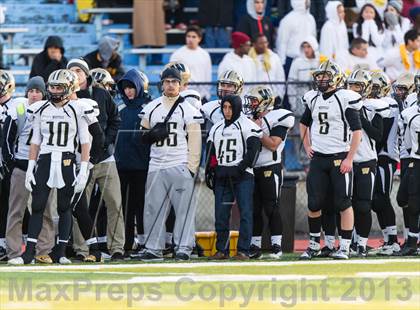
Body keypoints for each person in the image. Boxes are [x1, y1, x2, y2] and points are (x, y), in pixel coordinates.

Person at [8, 69, 92, 265]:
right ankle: (28, 254)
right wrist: (30, 167)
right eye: (52, 87)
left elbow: (85, 141)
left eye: (58, 87)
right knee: (37, 206)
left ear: (69, 87)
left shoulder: (78, 109)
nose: (54, 90)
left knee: (65, 207)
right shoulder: (40, 108)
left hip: (67, 160)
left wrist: (84, 168)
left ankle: (61, 252)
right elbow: (35, 141)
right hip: (45, 159)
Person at [299, 61, 363, 260]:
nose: (321, 79)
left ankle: (343, 247)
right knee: (314, 203)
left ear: (336, 77)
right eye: (318, 76)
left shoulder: (345, 98)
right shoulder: (313, 98)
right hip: (319, 158)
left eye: (325, 76)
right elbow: (303, 123)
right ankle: (313, 245)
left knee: (343, 202)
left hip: (339, 157)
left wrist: (349, 158)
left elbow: (357, 131)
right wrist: (308, 145)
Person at [138, 67, 203, 262]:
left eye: (174, 82)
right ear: (162, 84)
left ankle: (183, 247)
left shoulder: (189, 109)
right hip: (156, 164)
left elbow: (195, 141)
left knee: (184, 210)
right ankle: (153, 247)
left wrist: (191, 168)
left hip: (179, 163)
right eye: (167, 81)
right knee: (153, 209)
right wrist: (151, 136)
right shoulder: (151, 107)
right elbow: (143, 136)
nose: (171, 85)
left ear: (181, 84)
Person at [67, 58, 124, 260]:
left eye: (79, 71)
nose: (76, 74)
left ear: (86, 74)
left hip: (105, 159)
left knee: (114, 203)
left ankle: (117, 247)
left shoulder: (101, 94)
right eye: (71, 71)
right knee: (79, 206)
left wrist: (105, 143)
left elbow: (115, 120)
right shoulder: (66, 99)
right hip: (80, 161)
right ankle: (82, 250)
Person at [3, 77, 55, 264]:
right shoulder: (19, 109)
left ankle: (43, 250)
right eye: (31, 91)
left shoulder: (51, 110)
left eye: (38, 91)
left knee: (46, 211)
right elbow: (7, 139)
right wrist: (11, 162)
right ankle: (14, 251)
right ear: (26, 92)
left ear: (44, 93)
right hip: (23, 166)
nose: (34, 94)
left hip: (43, 167)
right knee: (16, 211)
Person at [207, 94, 262, 260]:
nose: (227, 111)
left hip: (242, 176)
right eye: (224, 107)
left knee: (245, 212)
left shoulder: (247, 125)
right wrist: (211, 170)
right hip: (223, 176)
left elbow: (254, 151)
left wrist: (240, 168)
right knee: (221, 214)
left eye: (230, 107)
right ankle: (221, 250)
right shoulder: (216, 128)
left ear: (237, 107)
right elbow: (211, 152)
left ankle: (243, 250)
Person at [244, 86, 295, 259]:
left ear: (264, 102)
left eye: (253, 101)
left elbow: (273, 144)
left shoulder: (279, 117)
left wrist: (257, 131)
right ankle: (255, 245)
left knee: (271, 207)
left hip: (269, 167)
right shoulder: (248, 118)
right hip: (251, 169)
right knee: (254, 209)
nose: (250, 104)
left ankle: (276, 245)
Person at [346, 70, 389, 257]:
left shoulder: (374, 107)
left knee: (363, 205)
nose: (353, 89)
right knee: (345, 204)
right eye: (351, 85)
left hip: (365, 160)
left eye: (357, 85)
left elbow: (378, 136)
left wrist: (359, 117)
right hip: (345, 161)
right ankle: (348, 243)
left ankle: (362, 244)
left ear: (367, 88)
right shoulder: (342, 103)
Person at [115, 69, 151, 255]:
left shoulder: (150, 107)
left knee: (143, 207)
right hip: (122, 168)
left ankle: (145, 243)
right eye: (125, 88)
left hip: (143, 168)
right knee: (126, 209)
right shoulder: (120, 110)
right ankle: (127, 243)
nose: (128, 91)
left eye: (131, 87)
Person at [398, 77, 420, 255]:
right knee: (405, 199)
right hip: (416, 160)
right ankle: (412, 240)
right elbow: (407, 143)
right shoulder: (409, 113)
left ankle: (412, 241)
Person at [170, 25, 212, 102]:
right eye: (188, 36)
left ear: (199, 39)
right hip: (183, 96)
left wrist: (207, 94)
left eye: (194, 37)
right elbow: (172, 75)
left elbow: (207, 75)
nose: (190, 39)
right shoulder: (177, 54)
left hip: (201, 96)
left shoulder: (205, 54)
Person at [276, 0, 316, 75]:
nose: (307, 2)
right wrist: (282, 63)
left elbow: (313, 40)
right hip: (292, 60)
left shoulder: (311, 19)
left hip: (309, 60)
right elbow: (282, 43)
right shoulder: (288, 19)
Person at [0, 70, 16, 260]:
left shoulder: (18, 105)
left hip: (12, 161)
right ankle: (3, 243)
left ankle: (23, 241)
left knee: (13, 204)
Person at [288, 36, 321, 116]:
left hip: (318, 100)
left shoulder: (321, 61)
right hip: (301, 101)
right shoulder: (297, 62)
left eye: (309, 46)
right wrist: (293, 104)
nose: (306, 50)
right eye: (304, 47)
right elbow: (291, 83)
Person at [249, 34, 286, 101]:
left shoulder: (274, 57)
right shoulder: (248, 59)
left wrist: (279, 95)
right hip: (254, 97)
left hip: (272, 96)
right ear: (254, 44)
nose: (264, 45)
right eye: (261, 43)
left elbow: (280, 77)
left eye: (265, 42)